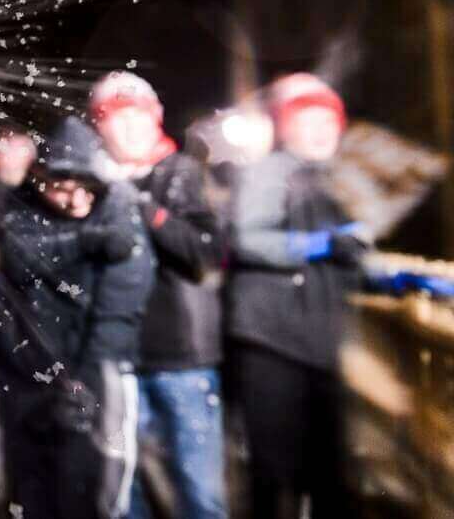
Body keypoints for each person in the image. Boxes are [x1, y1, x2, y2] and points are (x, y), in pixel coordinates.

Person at [0, 116, 156, 519]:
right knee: (32, 483)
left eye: (83, 190)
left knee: (90, 485)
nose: (74, 202)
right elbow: (20, 259)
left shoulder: (115, 208)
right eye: (62, 189)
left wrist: (85, 376)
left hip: (88, 367)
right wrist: (83, 241)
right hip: (30, 373)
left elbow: (120, 297)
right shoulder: (24, 209)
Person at [227, 73, 367, 518]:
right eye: (310, 121)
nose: (323, 131)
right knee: (274, 474)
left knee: (330, 471)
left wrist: (396, 277)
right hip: (272, 341)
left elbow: (356, 253)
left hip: (320, 344)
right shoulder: (271, 172)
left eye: (330, 122)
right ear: (287, 127)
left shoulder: (336, 182)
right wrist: (319, 245)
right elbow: (247, 238)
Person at [89, 72, 228, 519]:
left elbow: (205, 254)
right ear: (99, 128)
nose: (130, 129)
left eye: (139, 118)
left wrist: (144, 209)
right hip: (119, 361)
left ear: (156, 120)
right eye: (117, 119)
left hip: (183, 361)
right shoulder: (89, 186)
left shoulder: (181, 173)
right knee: (123, 487)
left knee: (198, 491)